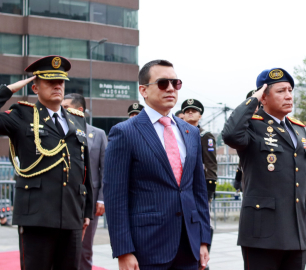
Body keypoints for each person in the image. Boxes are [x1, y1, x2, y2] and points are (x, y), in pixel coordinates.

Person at [104, 59, 211, 270]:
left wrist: (203, 239)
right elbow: (115, 196)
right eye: (163, 83)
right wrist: (124, 251)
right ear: (143, 90)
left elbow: (198, 191)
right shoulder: (125, 132)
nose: (171, 88)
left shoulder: (191, 133)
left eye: (175, 83)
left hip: (189, 245)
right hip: (147, 247)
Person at [0, 55, 93, 270]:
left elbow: (83, 167)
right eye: (50, 82)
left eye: (60, 82)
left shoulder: (76, 119)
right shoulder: (22, 115)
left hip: (71, 215)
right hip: (37, 216)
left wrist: (86, 212)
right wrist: (9, 89)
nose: (57, 86)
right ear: (35, 87)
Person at [222, 68, 306, 270]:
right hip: (262, 233)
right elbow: (230, 134)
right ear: (263, 97)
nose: (289, 96)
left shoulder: (298, 129)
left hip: (296, 232)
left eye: (290, 90)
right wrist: (254, 99)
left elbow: (303, 180)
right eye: (281, 91)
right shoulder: (252, 126)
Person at [62, 93, 108, 270]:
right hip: (63, 198)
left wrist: (101, 199)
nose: (62, 110)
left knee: (85, 248)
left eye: (66, 107)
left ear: (79, 110)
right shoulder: (58, 132)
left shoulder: (98, 134)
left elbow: (105, 170)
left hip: (89, 200)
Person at [181, 98, 217, 270]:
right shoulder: (179, 133)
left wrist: (209, 188)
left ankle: (203, 259)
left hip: (200, 187)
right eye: (187, 111)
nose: (189, 113)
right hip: (184, 186)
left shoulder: (204, 136)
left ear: (200, 115)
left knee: (202, 222)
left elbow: (210, 163)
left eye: (193, 111)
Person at [233, 90, 259, 192]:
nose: (256, 108)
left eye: (259, 104)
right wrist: (238, 177)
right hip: (249, 179)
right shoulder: (246, 126)